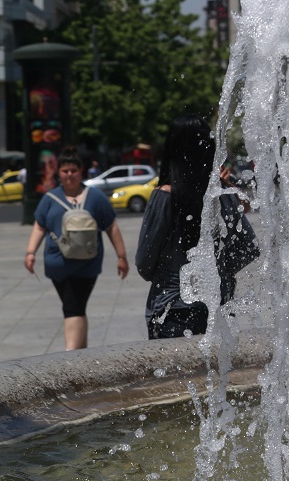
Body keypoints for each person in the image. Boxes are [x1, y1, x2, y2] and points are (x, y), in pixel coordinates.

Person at [135, 114, 259, 339]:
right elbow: (248, 247)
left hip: (170, 311)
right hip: (216, 308)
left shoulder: (164, 196)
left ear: (171, 149)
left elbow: (144, 263)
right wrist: (218, 271)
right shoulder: (219, 192)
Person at [24, 146, 129, 350]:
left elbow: (111, 227)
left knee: (73, 307)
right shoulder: (49, 199)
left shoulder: (96, 197)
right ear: (59, 173)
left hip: (86, 265)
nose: (69, 175)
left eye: (73, 170)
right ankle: (81, 355)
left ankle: (70, 356)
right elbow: (39, 226)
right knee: (75, 307)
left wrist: (121, 257)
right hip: (58, 265)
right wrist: (30, 252)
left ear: (81, 171)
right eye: (65, 171)